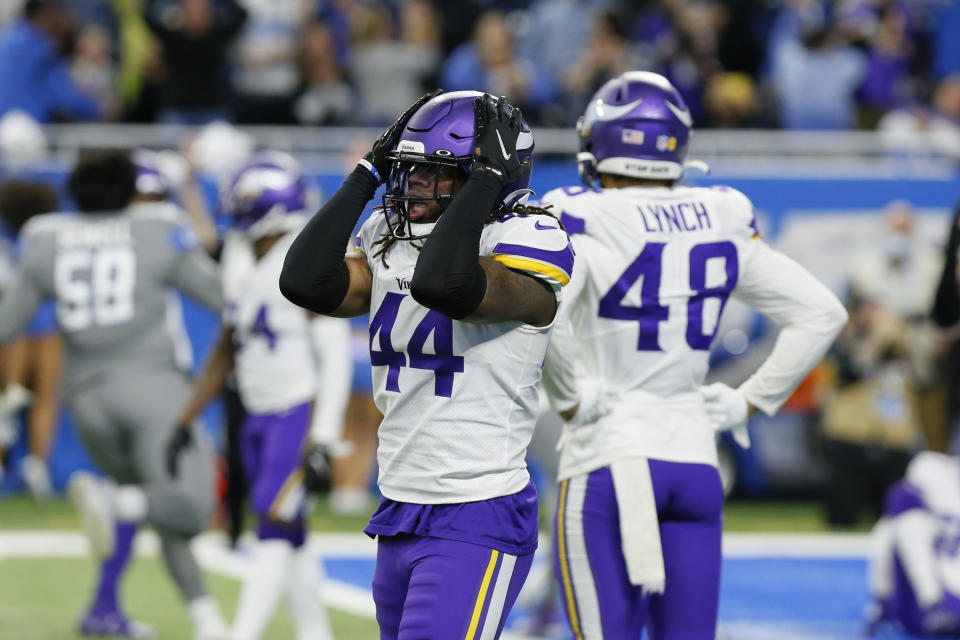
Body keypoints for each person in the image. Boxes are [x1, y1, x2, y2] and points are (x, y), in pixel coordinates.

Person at [539, 71, 848, 639]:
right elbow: (821, 313)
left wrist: (570, 397)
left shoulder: (575, 212)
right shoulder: (721, 213)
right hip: (695, 461)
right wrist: (748, 403)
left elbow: (543, 313)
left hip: (609, 453)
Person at [279, 90, 573, 639]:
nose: (412, 183)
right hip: (402, 502)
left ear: (487, 173)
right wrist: (368, 172)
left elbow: (449, 286)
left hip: (475, 508)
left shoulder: (525, 236)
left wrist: (486, 181)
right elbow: (304, 281)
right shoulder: (392, 238)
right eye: (408, 169)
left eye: (433, 172)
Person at [0, 149, 229, 639]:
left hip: (84, 399)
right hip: (151, 387)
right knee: (189, 508)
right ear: (130, 193)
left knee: (146, 499)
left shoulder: (45, 238)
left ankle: (206, 622)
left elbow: (8, 324)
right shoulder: (155, 228)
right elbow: (221, 296)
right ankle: (119, 502)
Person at [167, 150, 352, 640]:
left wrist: (324, 438)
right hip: (256, 409)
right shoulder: (239, 253)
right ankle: (316, 632)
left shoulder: (306, 256)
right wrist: (185, 417)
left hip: (298, 407)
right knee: (289, 530)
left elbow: (333, 354)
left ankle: (241, 633)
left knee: (273, 519)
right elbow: (228, 345)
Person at [867, 451, 960, 636]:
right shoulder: (931, 469)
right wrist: (881, 596)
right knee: (907, 508)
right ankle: (932, 602)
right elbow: (889, 530)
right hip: (929, 592)